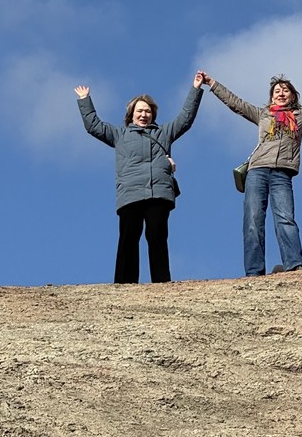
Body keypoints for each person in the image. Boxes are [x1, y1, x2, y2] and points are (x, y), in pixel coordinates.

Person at [200, 61, 302, 275]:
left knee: (285, 218)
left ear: (292, 96)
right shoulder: (262, 115)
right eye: (276, 91)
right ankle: (254, 271)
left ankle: (294, 264)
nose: (280, 93)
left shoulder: (300, 117)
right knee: (252, 220)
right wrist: (212, 83)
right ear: (271, 97)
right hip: (257, 170)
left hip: (282, 173)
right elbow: (235, 103)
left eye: (285, 90)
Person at [74, 74, 205, 283]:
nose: (144, 114)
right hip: (130, 194)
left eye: (147, 111)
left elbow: (186, 117)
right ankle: (125, 283)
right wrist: (84, 101)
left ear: (153, 114)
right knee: (128, 238)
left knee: (157, 237)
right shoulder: (119, 134)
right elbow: (94, 126)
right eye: (139, 111)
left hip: (158, 193)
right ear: (131, 115)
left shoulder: (164, 132)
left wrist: (196, 89)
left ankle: (161, 282)